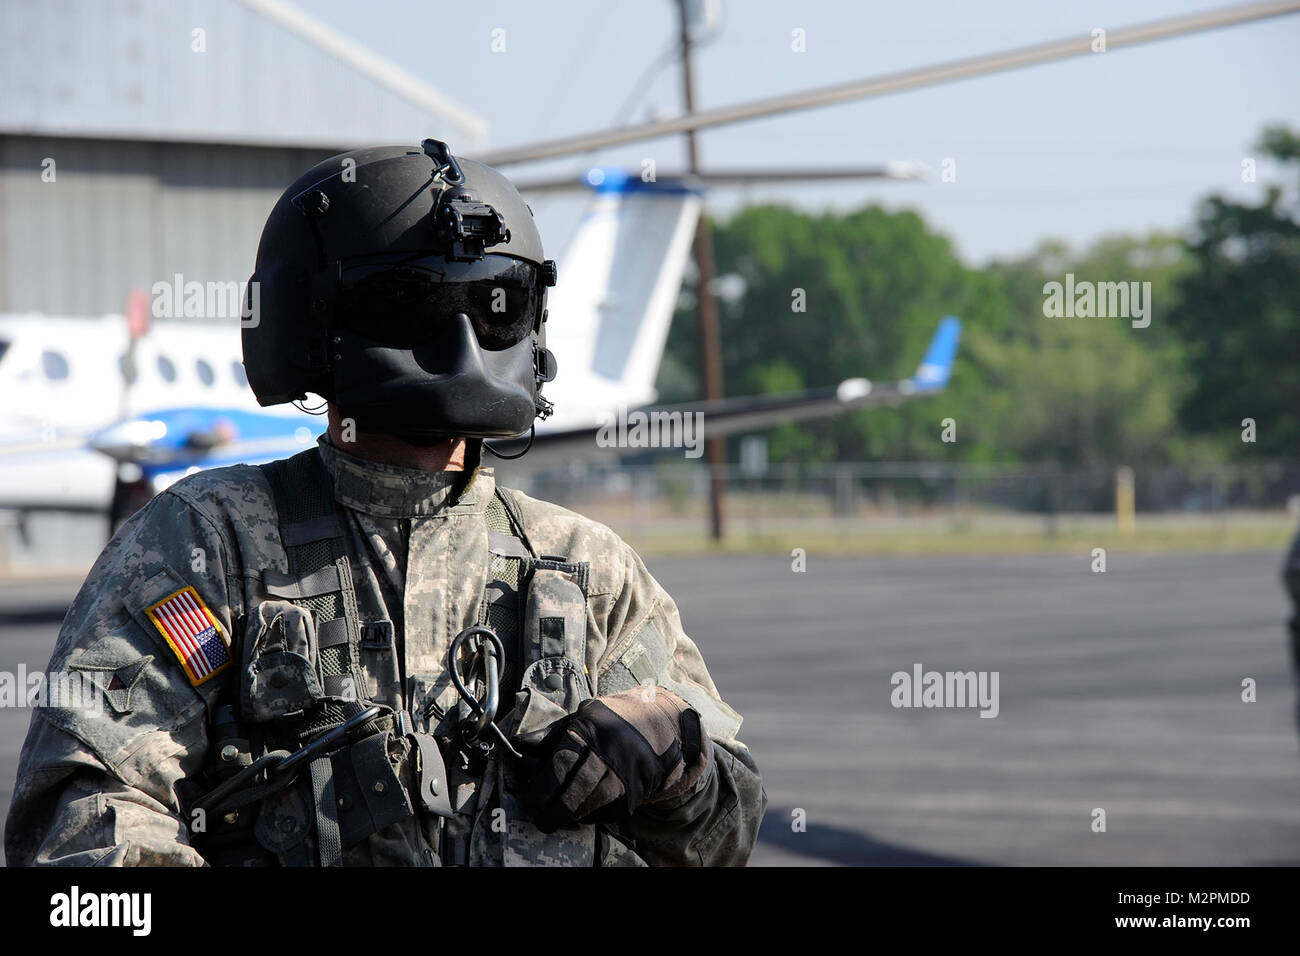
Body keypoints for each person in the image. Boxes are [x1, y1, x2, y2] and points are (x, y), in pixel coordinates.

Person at [4, 140, 766, 866]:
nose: (463, 339)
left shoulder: (587, 568)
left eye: (494, 305)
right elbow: (81, 818)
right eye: (412, 302)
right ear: (318, 322)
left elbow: (724, 836)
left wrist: (679, 765)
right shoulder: (208, 543)